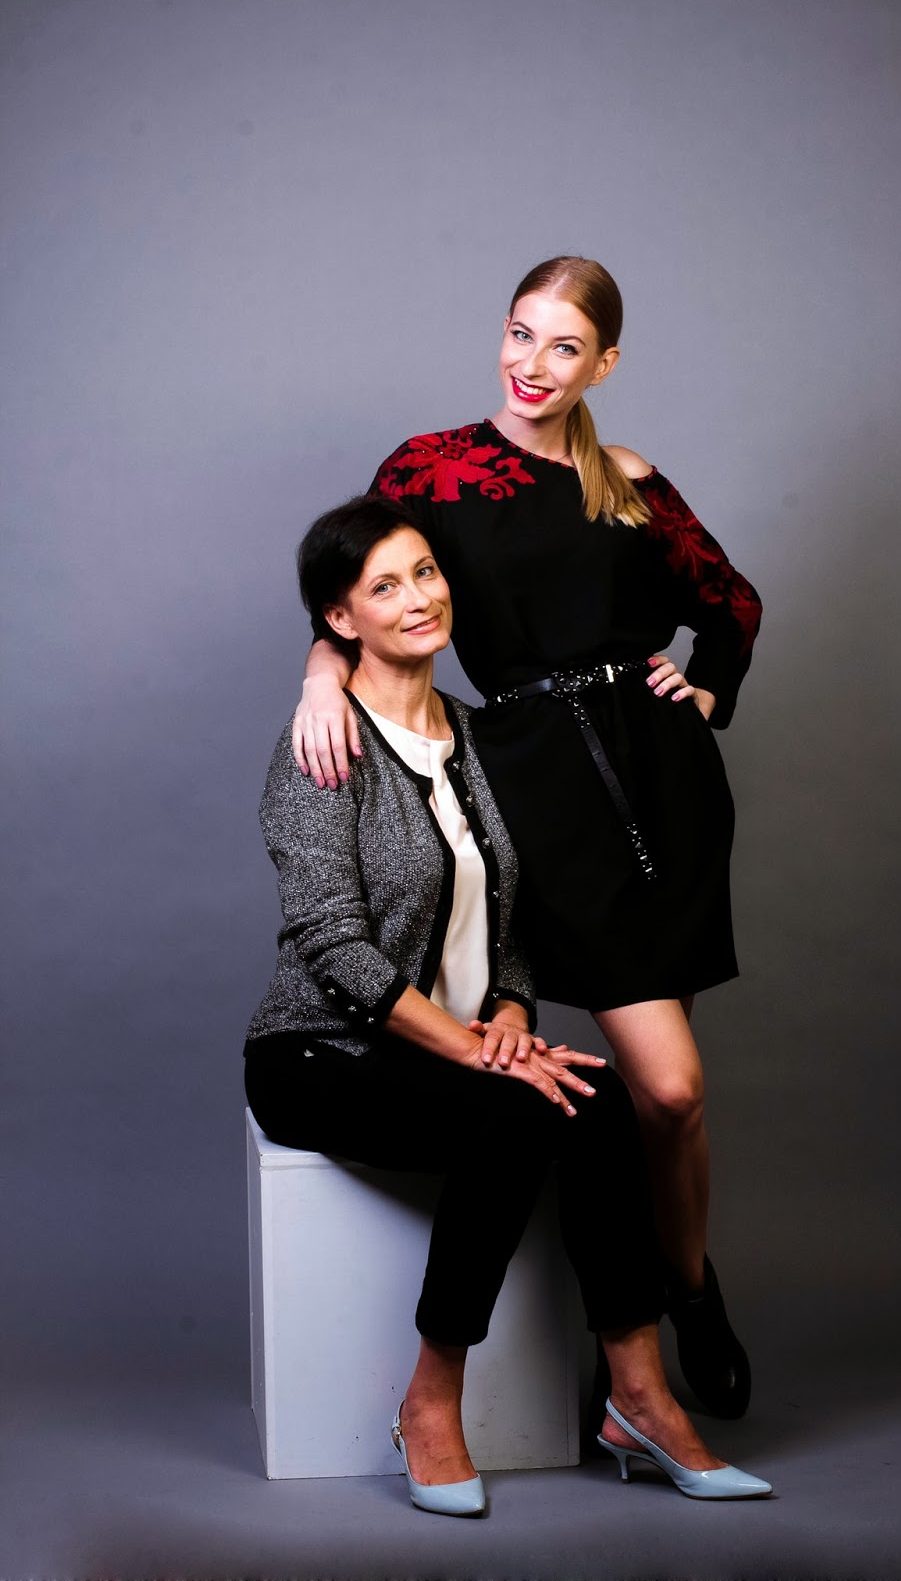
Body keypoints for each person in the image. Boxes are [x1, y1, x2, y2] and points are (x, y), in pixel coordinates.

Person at [293, 258, 763, 1420]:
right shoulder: (431, 468)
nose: (532, 364)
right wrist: (317, 676)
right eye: (519, 333)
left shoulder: (629, 481)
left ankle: (676, 1301)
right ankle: (670, 1302)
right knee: (670, 1082)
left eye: (563, 346)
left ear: (604, 362)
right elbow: (351, 587)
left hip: (664, 784)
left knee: (666, 1098)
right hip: (540, 787)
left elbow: (731, 607)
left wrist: (705, 690)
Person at [245, 495, 772, 1514]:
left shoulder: (485, 738)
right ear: (341, 620)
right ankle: (430, 1399)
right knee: (520, 1117)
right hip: (321, 1054)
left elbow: (515, 920)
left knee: (603, 1105)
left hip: (457, 1050)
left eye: (425, 573)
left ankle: (638, 1399)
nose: (418, 598)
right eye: (385, 586)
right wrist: (470, 1047)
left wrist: (514, 1018)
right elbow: (331, 944)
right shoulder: (323, 743)